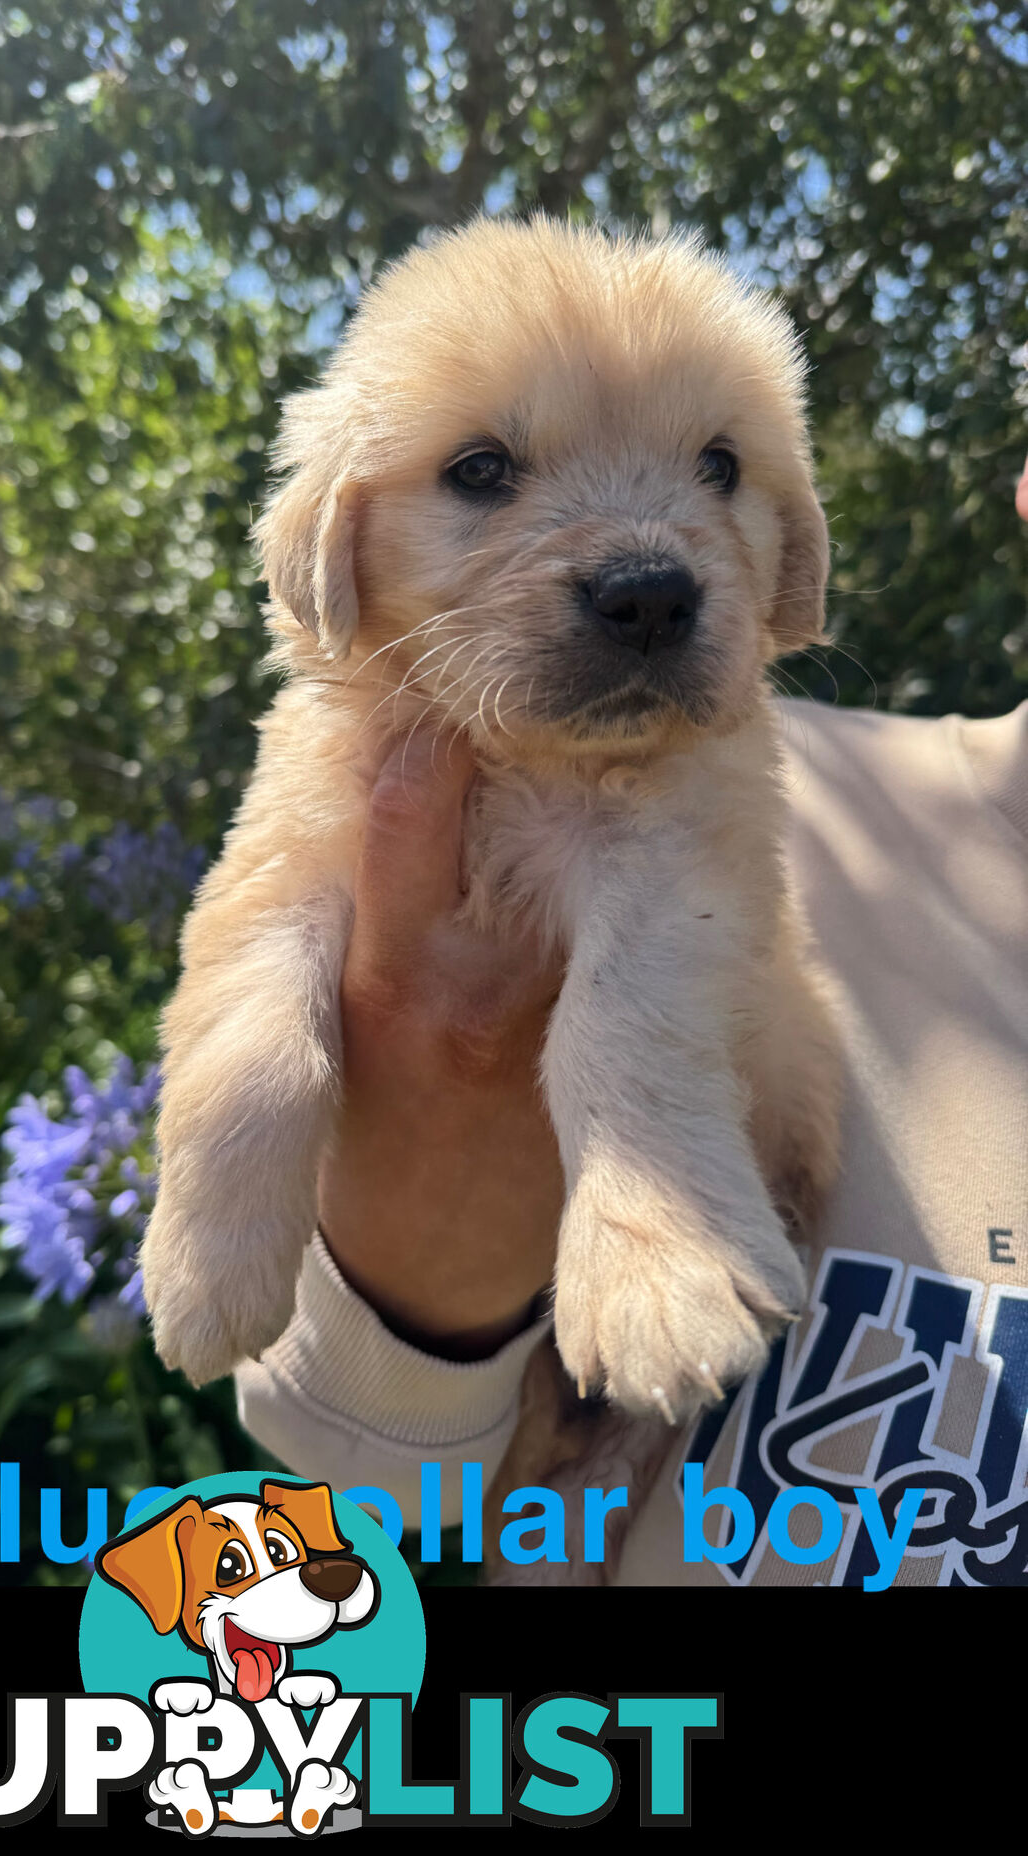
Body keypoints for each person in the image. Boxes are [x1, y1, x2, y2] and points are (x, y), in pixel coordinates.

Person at [236, 459, 1028, 1588]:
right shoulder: (718, 768)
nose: (644, 565)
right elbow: (363, 1471)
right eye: (485, 473)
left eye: (713, 469)